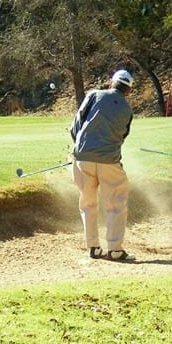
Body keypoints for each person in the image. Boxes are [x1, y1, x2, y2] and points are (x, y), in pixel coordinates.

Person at [70, 69, 135, 261]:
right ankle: (115, 249)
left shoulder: (94, 95)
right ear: (128, 91)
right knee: (116, 203)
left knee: (88, 202)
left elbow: (76, 126)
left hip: (82, 157)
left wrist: (81, 150)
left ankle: (93, 247)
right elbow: (122, 137)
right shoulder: (127, 110)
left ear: (111, 83)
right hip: (109, 160)